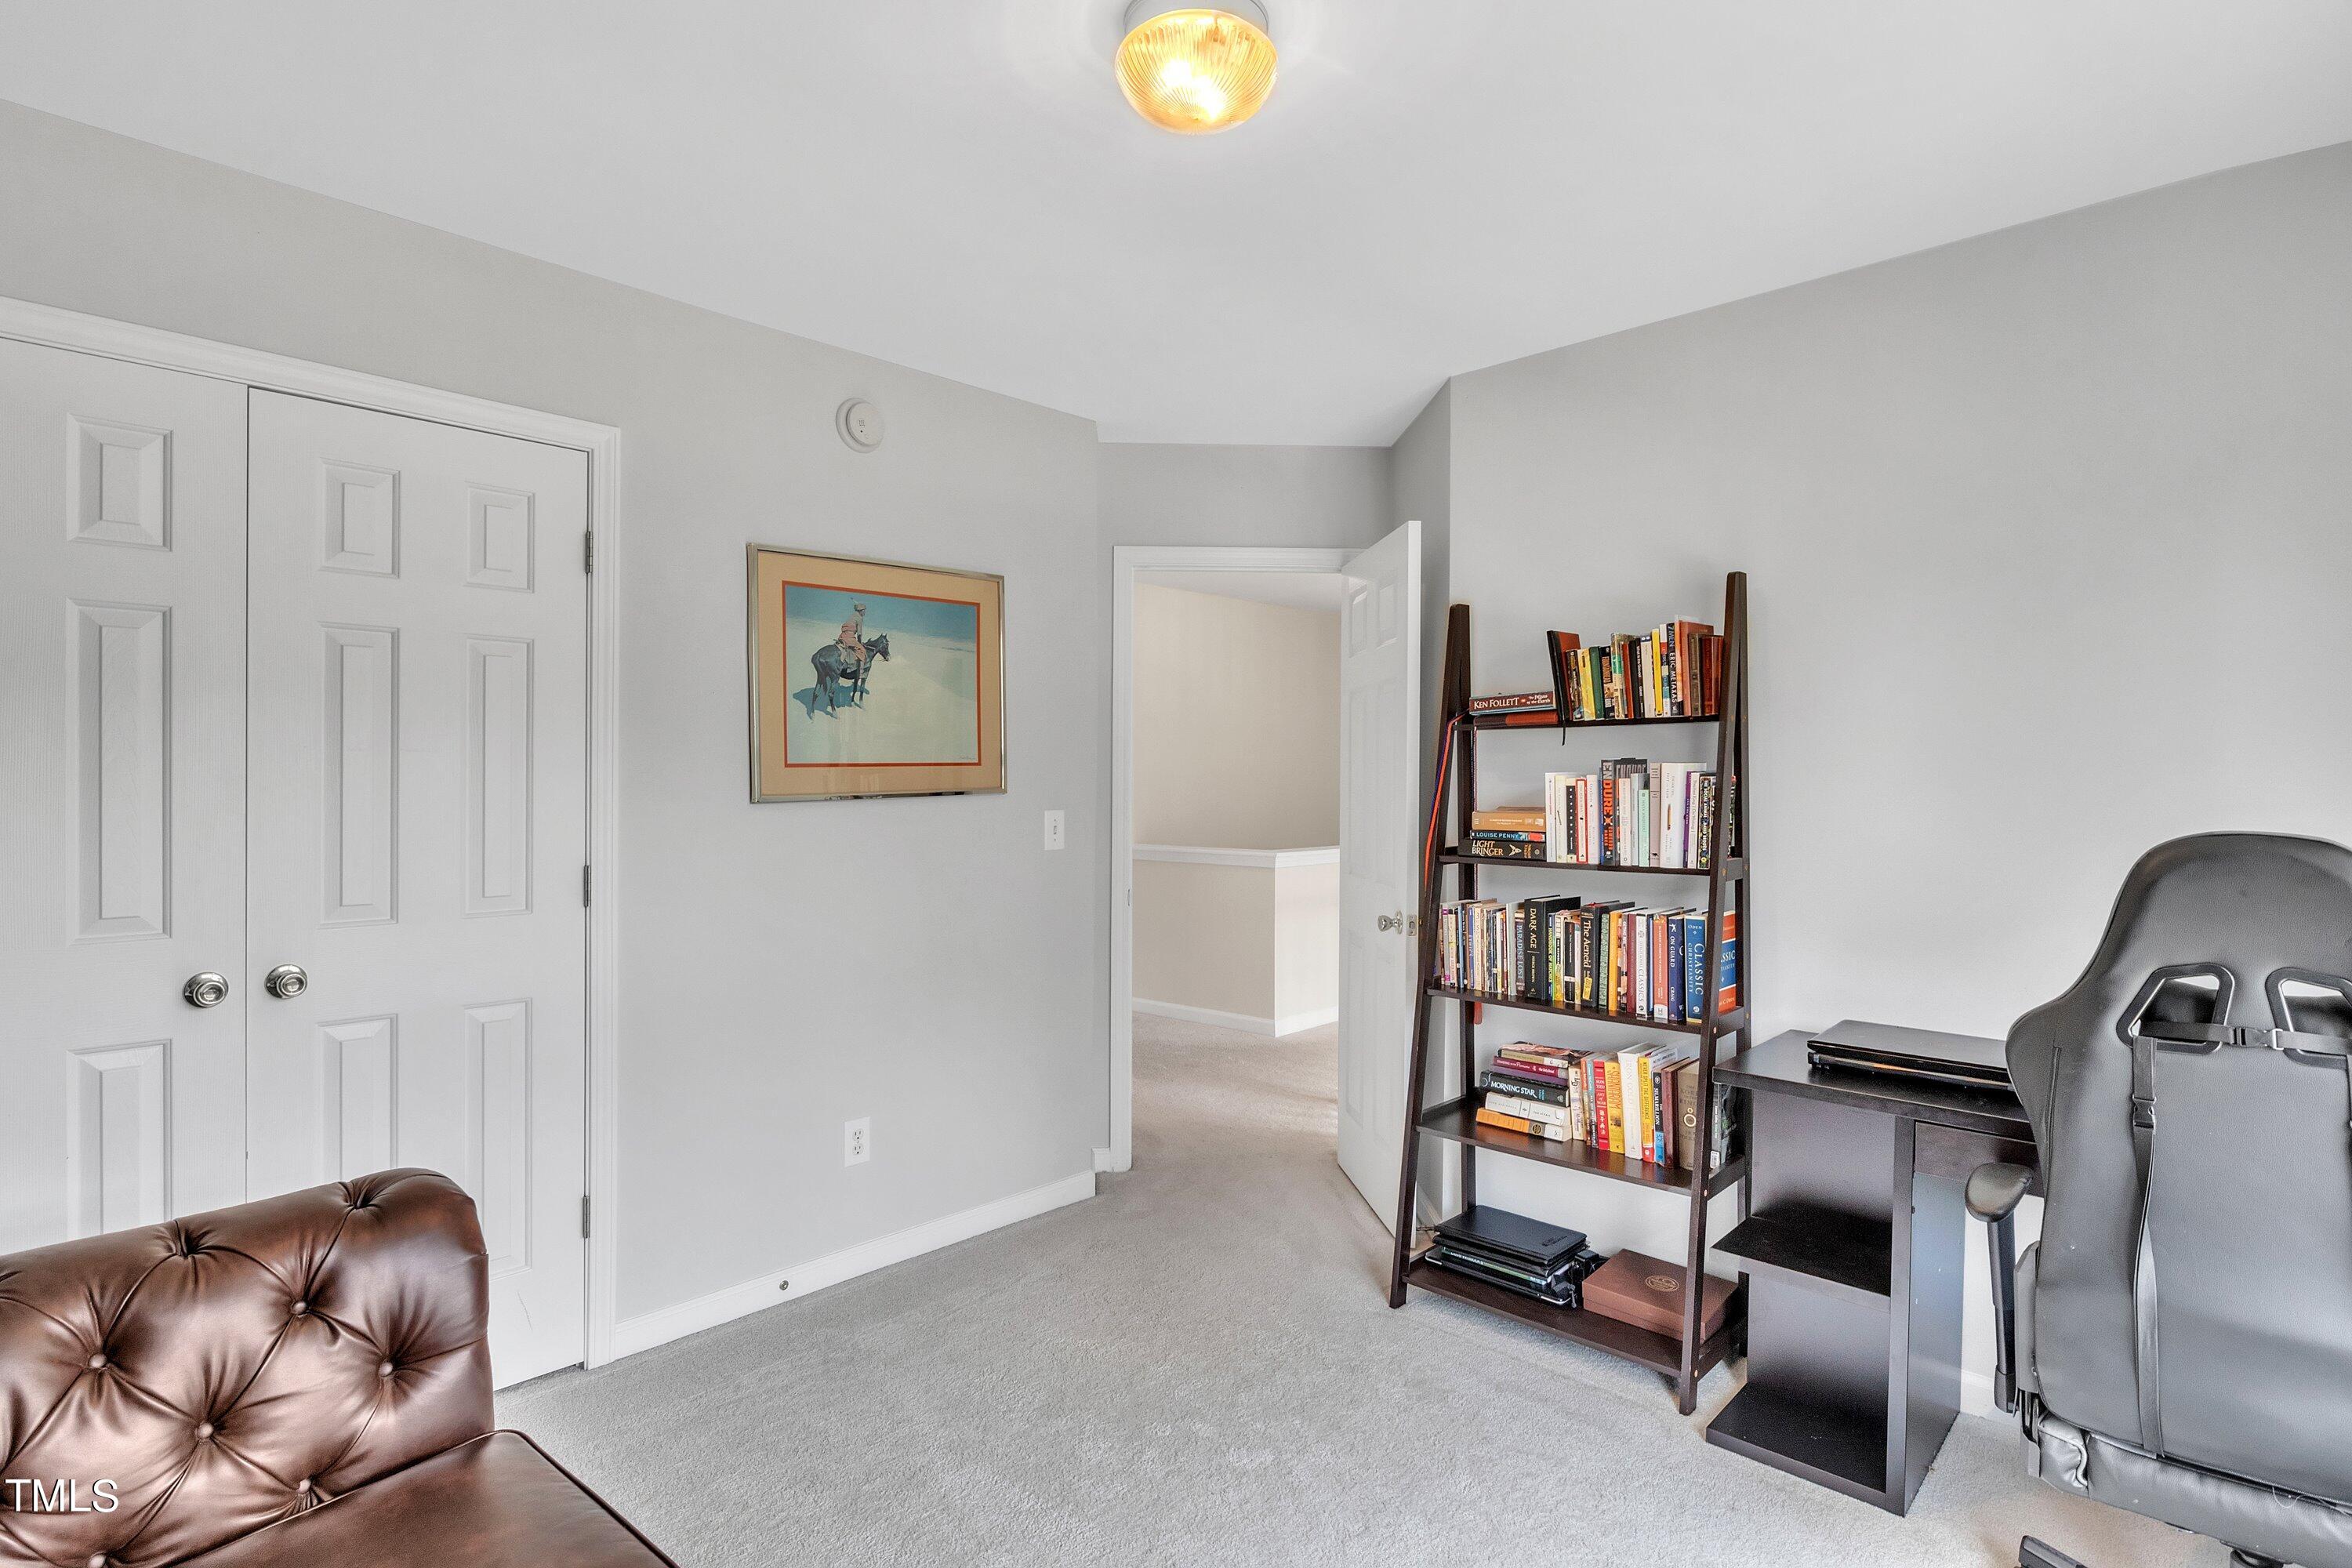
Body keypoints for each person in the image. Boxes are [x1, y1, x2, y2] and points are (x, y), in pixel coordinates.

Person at [833, 602, 869, 673]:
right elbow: (859, 634)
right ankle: (861, 672)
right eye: (864, 611)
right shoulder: (859, 618)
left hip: (842, 636)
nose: (864, 612)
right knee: (863, 651)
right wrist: (860, 643)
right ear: (860, 611)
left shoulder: (851, 617)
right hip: (849, 638)